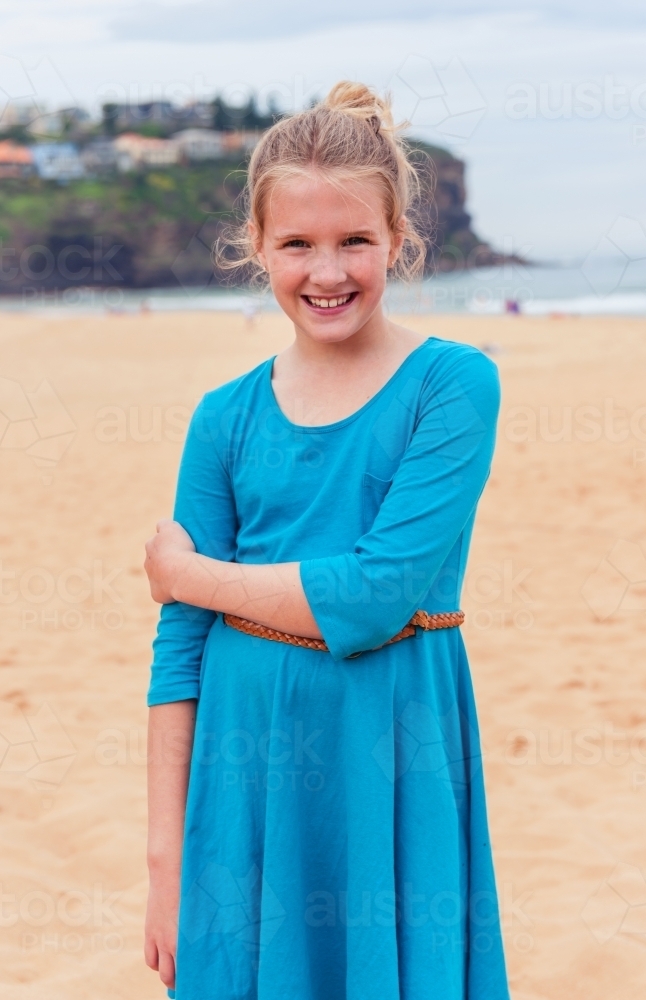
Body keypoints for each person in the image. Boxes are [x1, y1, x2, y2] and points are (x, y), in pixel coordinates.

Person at [143, 81, 510, 1000]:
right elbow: (178, 654)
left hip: (389, 751)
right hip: (243, 771)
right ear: (256, 248)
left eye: (354, 241)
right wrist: (163, 868)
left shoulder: (452, 385)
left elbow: (378, 592)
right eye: (296, 245)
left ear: (398, 240)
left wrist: (189, 574)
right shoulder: (222, 416)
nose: (327, 272)